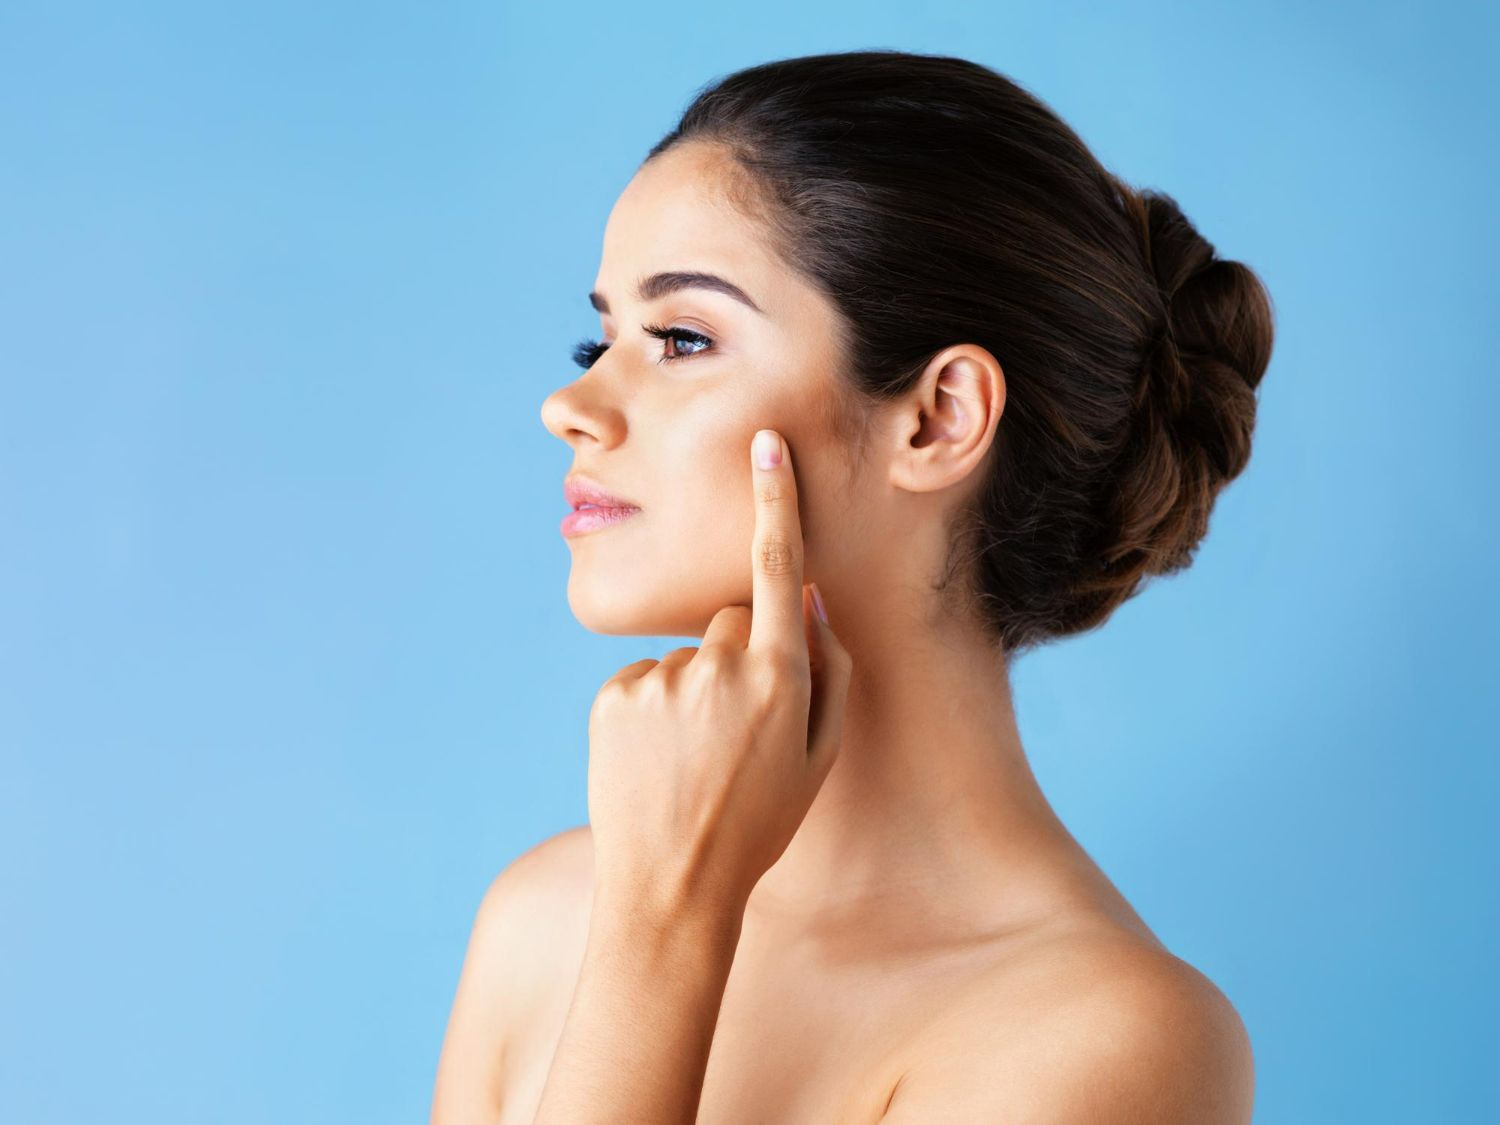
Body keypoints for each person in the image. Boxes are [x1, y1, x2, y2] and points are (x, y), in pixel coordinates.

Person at [431, 48, 1275, 1124]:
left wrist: (662, 933)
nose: (571, 404)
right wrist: (646, 914)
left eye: (681, 338)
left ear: (938, 418)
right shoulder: (542, 919)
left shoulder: (1109, 1036)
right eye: (597, 339)